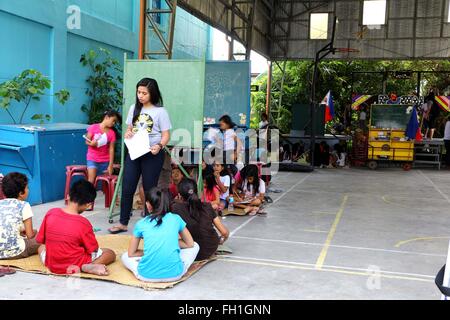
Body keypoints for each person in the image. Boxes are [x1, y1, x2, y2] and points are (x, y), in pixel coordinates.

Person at [109, 78, 172, 234]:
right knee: (128, 186)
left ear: (153, 94)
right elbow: (130, 129)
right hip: (135, 152)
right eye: (139, 92)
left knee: (149, 188)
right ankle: (123, 222)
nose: (140, 96)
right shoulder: (133, 108)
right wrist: (129, 133)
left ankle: (149, 222)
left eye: (144, 93)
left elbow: (166, 135)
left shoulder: (160, 112)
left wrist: (159, 146)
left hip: (152, 154)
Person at [36, 180, 116, 275]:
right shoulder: (84, 223)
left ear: (68, 196)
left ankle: (61, 264)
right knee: (110, 253)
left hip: (52, 264)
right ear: (88, 205)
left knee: (41, 247)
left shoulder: (50, 213)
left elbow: (41, 241)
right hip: (75, 264)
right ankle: (86, 267)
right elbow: (93, 249)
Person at [121, 188, 199, 282]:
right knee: (196, 246)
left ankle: (152, 259)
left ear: (149, 205)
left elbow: (131, 253)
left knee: (125, 256)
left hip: (146, 276)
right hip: (175, 275)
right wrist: (171, 242)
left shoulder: (141, 223)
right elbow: (190, 244)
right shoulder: (176, 218)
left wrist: (150, 252)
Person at [172, 178, 229, 261]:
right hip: (211, 248)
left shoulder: (176, 208)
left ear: (179, 195)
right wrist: (221, 241)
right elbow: (224, 232)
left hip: (192, 251)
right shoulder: (207, 206)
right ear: (197, 192)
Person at [0, 173, 39, 260]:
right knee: (42, 237)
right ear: (21, 193)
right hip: (16, 251)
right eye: (27, 188)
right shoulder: (24, 205)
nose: (28, 190)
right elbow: (30, 235)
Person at [85, 110, 121, 184]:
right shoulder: (93, 127)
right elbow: (86, 141)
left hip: (105, 161)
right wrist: (92, 144)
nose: (114, 123)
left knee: (106, 183)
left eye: (115, 122)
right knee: (91, 181)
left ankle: (109, 196)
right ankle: (87, 195)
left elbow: (111, 149)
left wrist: (110, 165)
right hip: (92, 158)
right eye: (113, 121)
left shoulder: (112, 133)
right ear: (107, 117)